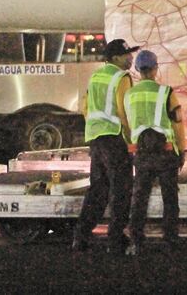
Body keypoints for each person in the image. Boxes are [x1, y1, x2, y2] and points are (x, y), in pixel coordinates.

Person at [72, 38, 137, 252]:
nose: (130, 58)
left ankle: (81, 236)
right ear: (115, 58)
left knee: (98, 190)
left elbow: (85, 106)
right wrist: (131, 141)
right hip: (115, 137)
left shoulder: (96, 76)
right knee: (121, 189)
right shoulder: (121, 77)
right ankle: (115, 239)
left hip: (96, 137)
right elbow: (123, 111)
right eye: (127, 54)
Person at [124, 50, 186, 255]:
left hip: (142, 154)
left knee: (140, 197)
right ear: (155, 69)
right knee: (170, 198)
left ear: (138, 70)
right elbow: (177, 124)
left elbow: (127, 122)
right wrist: (182, 150)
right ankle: (170, 240)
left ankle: (137, 240)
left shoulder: (129, 94)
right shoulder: (166, 92)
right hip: (165, 152)